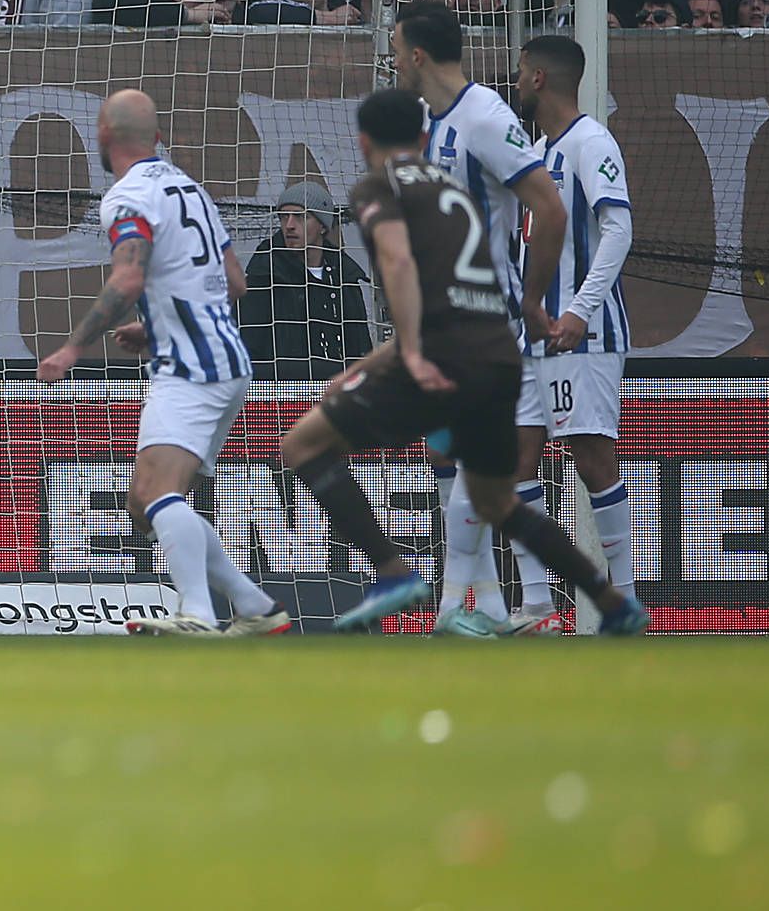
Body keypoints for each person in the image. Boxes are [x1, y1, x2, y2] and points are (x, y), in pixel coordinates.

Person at [273, 88, 646, 636]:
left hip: (440, 356)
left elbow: (399, 265)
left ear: (363, 142)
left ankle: (391, 570)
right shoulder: (459, 195)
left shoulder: (379, 188)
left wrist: (411, 353)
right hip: (498, 354)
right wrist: (366, 367)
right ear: (424, 139)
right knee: (499, 500)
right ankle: (610, 599)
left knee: (300, 445)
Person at [35, 90, 285, 636]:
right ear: (158, 137)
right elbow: (233, 283)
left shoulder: (128, 199)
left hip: (191, 367)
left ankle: (196, 614)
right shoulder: (190, 189)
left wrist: (74, 345)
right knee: (144, 498)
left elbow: (128, 278)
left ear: (103, 133)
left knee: (153, 495)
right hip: (226, 359)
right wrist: (155, 327)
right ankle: (255, 606)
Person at [395, 0, 567, 636]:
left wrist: (531, 298)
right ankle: (491, 608)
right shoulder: (427, 120)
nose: (392, 59)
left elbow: (548, 209)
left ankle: (452, 609)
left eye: (394, 48)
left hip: (487, 317)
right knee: (448, 461)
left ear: (416, 53)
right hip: (442, 318)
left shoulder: (487, 119)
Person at [507, 36, 641, 634]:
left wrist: (583, 308)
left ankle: (625, 601)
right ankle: (538, 607)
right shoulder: (536, 152)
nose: (513, 83)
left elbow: (617, 230)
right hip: (534, 333)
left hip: (581, 332)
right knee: (513, 459)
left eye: (518, 74)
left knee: (590, 456)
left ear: (538, 78)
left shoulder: (592, 142)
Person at [239, 181, 377, 380]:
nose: (289, 225)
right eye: (284, 217)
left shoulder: (344, 277)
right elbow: (248, 348)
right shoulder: (264, 276)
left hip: (338, 392)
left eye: (301, 217)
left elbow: (360, 345)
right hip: (280, 396)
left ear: (322, 225)